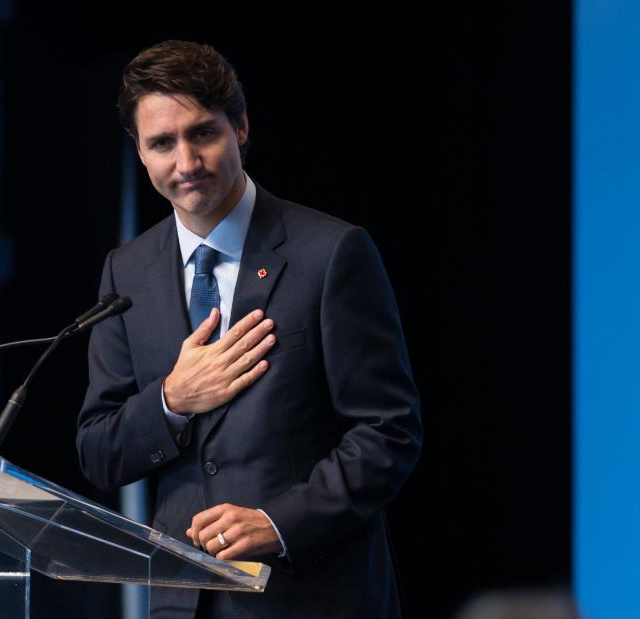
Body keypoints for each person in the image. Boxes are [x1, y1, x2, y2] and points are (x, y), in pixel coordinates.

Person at [75, 40, 422, 618]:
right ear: (139, 153)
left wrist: (277, 522)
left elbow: (389, 433)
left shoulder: (332, 253)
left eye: (202, 133)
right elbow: (98, 450)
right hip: (183, 602)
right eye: (162, 143)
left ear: (239, 127)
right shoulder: (127, 271)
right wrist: (170, 401)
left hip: (310, 597)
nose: (186, 163)